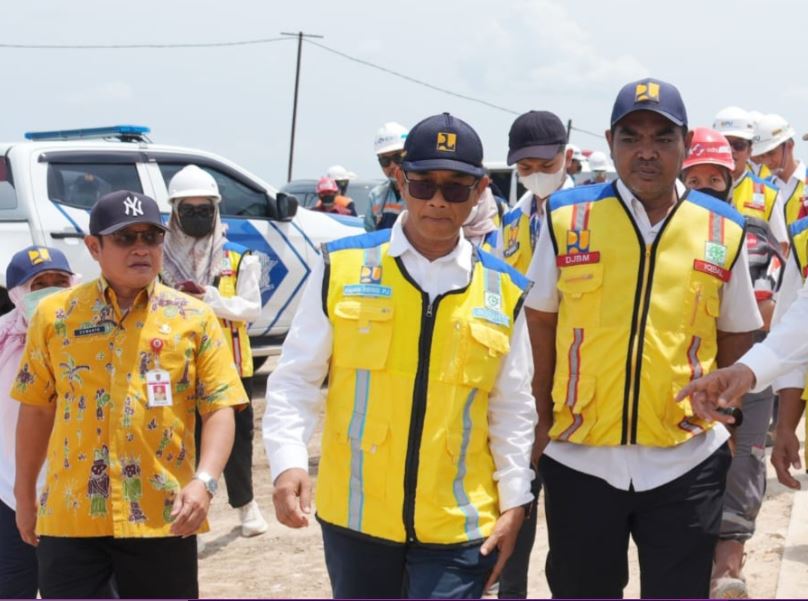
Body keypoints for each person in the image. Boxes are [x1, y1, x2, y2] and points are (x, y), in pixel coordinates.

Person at [263, 112, 536, 599]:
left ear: (478, 193)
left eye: (455, 188)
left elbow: (512, 408)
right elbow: (296, 379)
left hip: (458, 525)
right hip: (357, 519)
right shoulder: (342, 268)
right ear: (400, 182)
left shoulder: (503, 291)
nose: (436, 199)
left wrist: (516, 501)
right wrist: (287, 461)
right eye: (423, 183)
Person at [525, 78, 761, 598]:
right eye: (632, 137)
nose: (647, 153)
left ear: (684, 143)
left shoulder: (722, 228)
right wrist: (541, 419)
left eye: (663, 137)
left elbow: (738, 331)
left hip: (686, 456)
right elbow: (541, 321)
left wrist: (727, 419)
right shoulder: (568, 218)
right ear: (610, 142)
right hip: (578, 455)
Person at [12, 190, 247, 598]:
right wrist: (24, 493)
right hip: (71, 518)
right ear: (93, 247)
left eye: (151, 237)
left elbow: (220, 406)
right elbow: (35, 410)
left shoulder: (194, 318)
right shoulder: (55, 317)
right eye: (125, 238)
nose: (141, 248)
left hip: (162, 516)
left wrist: (205, 481)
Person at [680, 129, 784, 596]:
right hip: (686, 381)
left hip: (748, 373)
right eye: (694, 178)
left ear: (731, 178)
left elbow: (764, 311)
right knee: (690, 482)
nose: (705, 188)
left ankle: (728, 573)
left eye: (714, 179)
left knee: (742, 470)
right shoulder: (663, 240)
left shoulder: (750, 235)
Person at [162, 165, 269, 539]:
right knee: (179, 439)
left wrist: (212, 300)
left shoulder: (240, 258)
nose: (196, 216)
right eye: (187, 210)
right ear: (175, 212)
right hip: (177, 365)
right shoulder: (160, 259)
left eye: (203, 209)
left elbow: (252, 308)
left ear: (215, 210)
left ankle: (246, 507)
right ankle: (183, 509)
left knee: (238, 440)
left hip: (230, 363)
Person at [0, 247, 74, 598]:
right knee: (14, 583)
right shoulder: (3, 340)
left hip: (74, 488)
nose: (50, 290)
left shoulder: (90, 335)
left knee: (75, 585)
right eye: (39, 284)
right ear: (17, 294)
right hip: (9, 487)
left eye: (60, 281)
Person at [500, 110, 574, 276]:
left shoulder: (588, 215)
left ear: (568, 158)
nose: (537, 174)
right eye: (525, 168)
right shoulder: (511, 222)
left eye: (547, 166)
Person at [713, 107, 787, 247]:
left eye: (739, 145)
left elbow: (782, 247)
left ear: (750, 151)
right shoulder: (700, 189)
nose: (731, 151)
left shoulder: (769, 193)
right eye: (725, 144)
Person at [752, 114, 805, 227]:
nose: (766, 161)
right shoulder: (760, 189)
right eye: (762, 156)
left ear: (789, 146)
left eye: (771, 153)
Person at [366, 122, 409, 231]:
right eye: (385, 160)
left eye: (398, 157)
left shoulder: (425, 192)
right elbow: (370, 235)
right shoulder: (376, 196)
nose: (392, 165)